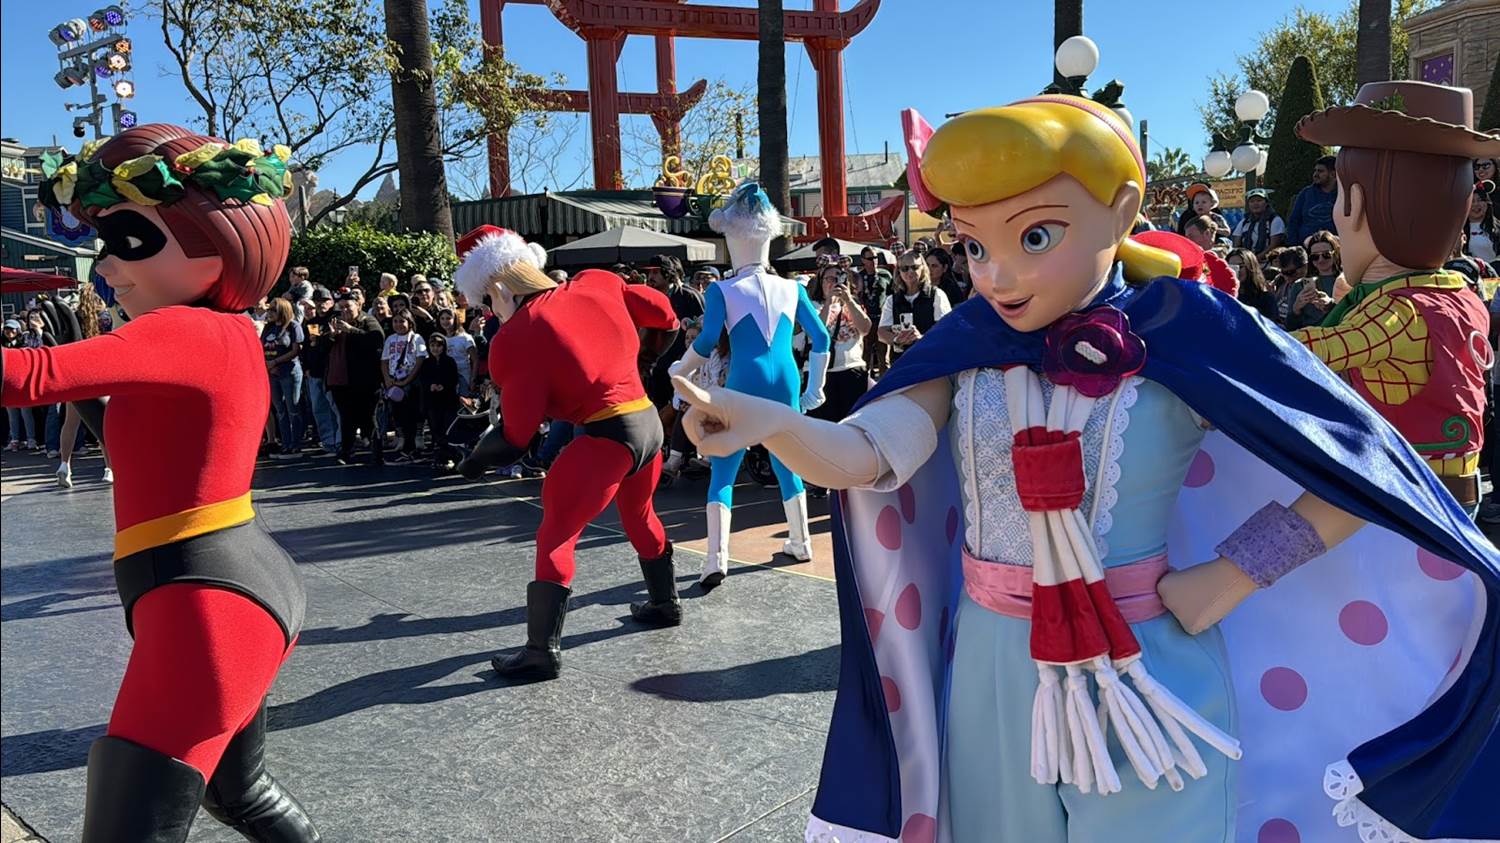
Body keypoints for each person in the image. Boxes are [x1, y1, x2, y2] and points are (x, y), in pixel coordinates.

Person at [673, 93, 1497, 843]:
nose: (997, 273)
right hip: (994, 670)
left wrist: (1233, 574)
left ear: (1123, 210)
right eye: (974, 245)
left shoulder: (1187, 331)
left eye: (1035, 236)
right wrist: (770, 422)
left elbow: (1359, 471)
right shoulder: (963, 350)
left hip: (1150, 664)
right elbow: (866, 455)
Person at [3, 124, 318, 839]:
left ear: (217, 243)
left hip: (205, 606)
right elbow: (144, 443)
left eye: (130, 241)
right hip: (228, 586)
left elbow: (25, 377)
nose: (107, 265)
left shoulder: (186, 330)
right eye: (104, 243)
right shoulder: (222, 334)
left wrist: (60, 366)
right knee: (242, 795)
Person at [452, 224, 683, 682]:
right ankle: (665, 602)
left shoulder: (518, 337)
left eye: (487, 299)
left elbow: (516, 435)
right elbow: (664, 313)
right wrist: (646, 359)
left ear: (500, 287)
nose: (490, 310)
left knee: (555, 536)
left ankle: (541, 651)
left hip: (605, 440)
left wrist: (474, 461)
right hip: (647, 424)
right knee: (640, 516)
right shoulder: (598, 281)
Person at [1293, 80, 1498, 520]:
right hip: (1450, 488)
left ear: (1355, 206)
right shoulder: (1461, 294)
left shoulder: (1397, 312)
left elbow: (1303, 351)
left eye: (1340, 196)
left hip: (1405, 499)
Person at [668, 184, 832, 590]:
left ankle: (716, 558)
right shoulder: (792, 288)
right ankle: (801, 542)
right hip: (787, 381)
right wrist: (815, 387)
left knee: (724, 466)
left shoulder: (721, 289)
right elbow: (822, 338)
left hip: (743, 382)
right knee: (787, 461)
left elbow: (708, 340)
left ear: (731, 239)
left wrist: (681, 369)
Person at [55, 286, 114, 488]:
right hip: (100, 373)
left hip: (76, 373)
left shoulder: (76, 317)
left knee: (70, 423)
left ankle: (65, 465)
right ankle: (109, 468)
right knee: (102, 422)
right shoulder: (105, 318)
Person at [326, 291, 386, 465]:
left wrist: (351, 330)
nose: (345, 310)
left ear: (358, 306)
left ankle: (377, 453)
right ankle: (346, 452)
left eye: (348, 306)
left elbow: (377, 340)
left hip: (366, 380)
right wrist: (331, 336)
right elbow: (322, 347)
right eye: (342, 307)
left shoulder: (367, 320)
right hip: (341, 380)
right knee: (346, 418)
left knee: (369, 418)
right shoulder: (335, 322)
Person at [878, 248, 952, 364]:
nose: (910, 272)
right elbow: (881, 333)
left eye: (915, 267)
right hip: (901, 362)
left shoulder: (936, 295)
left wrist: (921, 338)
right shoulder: (892, 300)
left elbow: (946, 330)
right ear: (899, 271)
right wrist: (897, 339)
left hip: (930, 361)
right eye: (905, 268)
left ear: (923, 268)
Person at [261, 298, 305, 460]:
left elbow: (296, 350)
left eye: (273, 310)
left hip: (289, 371)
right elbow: (261, 347)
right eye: (269, 309)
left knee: (293, 408)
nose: (270, 312)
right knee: (280, 409)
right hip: (272, 373)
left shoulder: (293, 326)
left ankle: (296, 444)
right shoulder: (268, 327)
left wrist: (276, 362)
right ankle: (285, 444)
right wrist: (268, 365)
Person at [381, 311, 426, 462]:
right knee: (397, 410)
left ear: (409, 322)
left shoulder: (417, 338)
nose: (399, 324)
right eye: (395, 321)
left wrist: (407, 380)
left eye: (402, 321)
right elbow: (384, 360)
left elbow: (420, 360)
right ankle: (401, 438)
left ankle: (416, 439)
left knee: (414, 411)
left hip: (411, 379)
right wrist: (387, 378)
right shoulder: (390, 339)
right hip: (394, 379)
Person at [300, 285, 341, 455]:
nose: (321, 304)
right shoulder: (312, 323)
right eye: (317, 301)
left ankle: (340, 441)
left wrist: (323, 339)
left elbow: (328, 344)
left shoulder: (337, 318)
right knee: (319, 408)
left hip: (333, 372)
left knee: (336, 408)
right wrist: (306, 367)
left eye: (324, 300)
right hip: (315, 372)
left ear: (331, 301)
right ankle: (328, 442)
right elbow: (310, 346)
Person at [419, 332, 461, 469]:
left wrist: (444, 385)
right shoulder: (426, 363)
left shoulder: (449, 361)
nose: (435, 348)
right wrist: (430, 385)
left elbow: (454, 378)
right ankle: (441, 456)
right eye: (432, 345)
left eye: (438, 346)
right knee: (435, 428)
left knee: (448, 427)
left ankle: (452, 455)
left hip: (448, 400)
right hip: (432, 401)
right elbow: (423, 379)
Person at [1286, 155, 1339, 246]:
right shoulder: (1305, 193)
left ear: (1333, 174)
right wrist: (1294, 246)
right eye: (1315, 171)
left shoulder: (1343, 195)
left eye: (1320, 171)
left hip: (1336, 247)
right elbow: (1293, 222)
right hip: (1306, 247)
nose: (1315, 174)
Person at [1232, 188, 1286, 259]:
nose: (1255, 204)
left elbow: (1274, 245)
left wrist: (1256, 259)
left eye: (1259, 200)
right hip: (1247, 260)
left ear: (1266, 203)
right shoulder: (1244, 221)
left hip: (1269, 260)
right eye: (1252, 201)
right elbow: (1236, 244)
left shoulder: (1275, 220)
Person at [1226, 248, 1278, 319]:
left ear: (1250, 267)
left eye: (1241, 266)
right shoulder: (1224, 294)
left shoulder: (1265, 296)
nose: (1237, 270)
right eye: (1232, 267)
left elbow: (1271, 322)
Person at [439, 307, 477, 396]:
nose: (445, 321)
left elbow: (475, 360)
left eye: (448, 318)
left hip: (463, 376)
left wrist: (473, 380)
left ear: (455, 319)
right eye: (442, 318)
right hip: (446, 377)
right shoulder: (441, 338)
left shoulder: (465, 338)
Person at [1465, 182, 1497, 263]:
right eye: (1472, 201)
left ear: (1487, 203)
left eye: (1480, 200)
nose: (1476, 204)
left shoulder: (1497, 228)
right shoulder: (1458, 231)